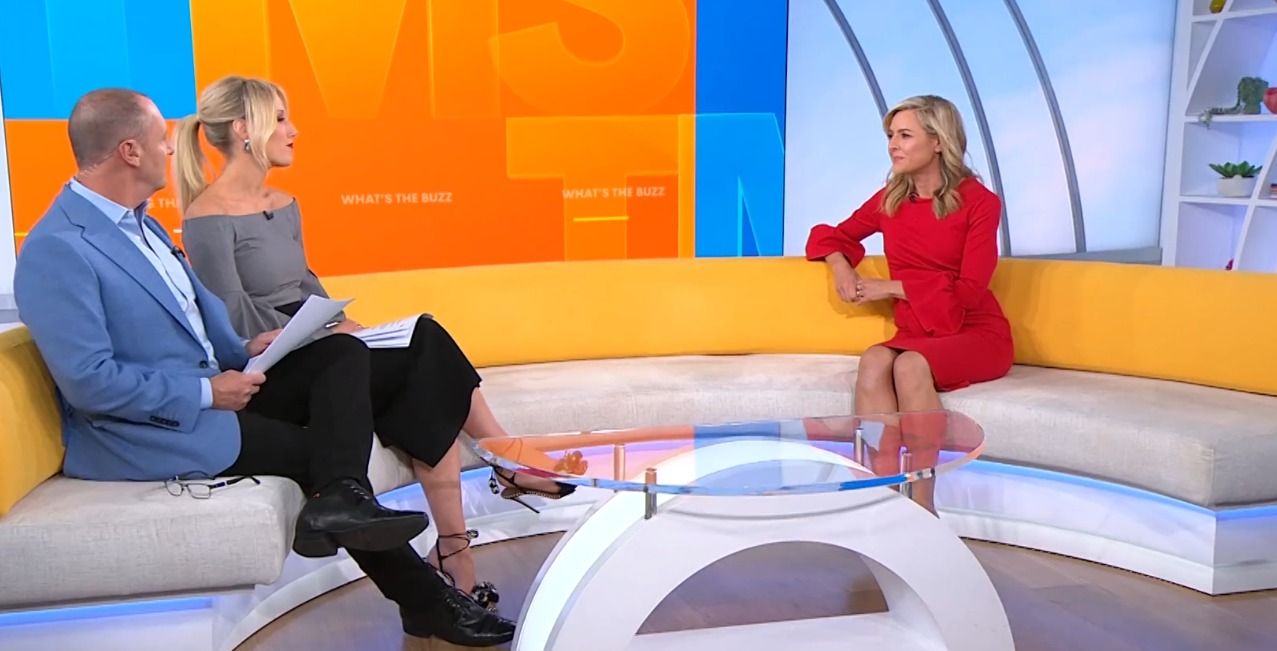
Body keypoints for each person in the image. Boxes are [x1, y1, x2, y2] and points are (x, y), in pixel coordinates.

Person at [13, 88, 514, 646]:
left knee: (342, 353)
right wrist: (210, 393)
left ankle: (348, 498)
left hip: (215, 391)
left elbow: (198, 332)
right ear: (129, 152)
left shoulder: (144, 226)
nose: (171, 150)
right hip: (151, 428)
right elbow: (90, 383)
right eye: (160, 140)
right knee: (317, 455)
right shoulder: (58, 248)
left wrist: (248, 347)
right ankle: (427, 600)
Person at [172, 75, 580, 607]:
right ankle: (498, 473)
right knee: (423, 361)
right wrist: (322, 333)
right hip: (277, 368)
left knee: (423, 349)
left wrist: (341, 323)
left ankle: (460, 544)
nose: (294, 131)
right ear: (243, 129)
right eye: (282, 119)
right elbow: (233, 323)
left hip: (326, 346)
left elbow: (306, 286)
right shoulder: (206, 217)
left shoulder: (285, 202)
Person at [805, 95, 1013, 513]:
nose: (893, 146)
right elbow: (830, 235)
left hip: (973, 331)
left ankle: (921, 505)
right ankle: (881, 496)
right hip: (918, 329)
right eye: (890, 136)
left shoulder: (979, 203)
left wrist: (892, 288)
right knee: (874, 361)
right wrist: (841, 266)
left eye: (904, 135)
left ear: (938, 142)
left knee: (909, 365)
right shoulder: (891, 200)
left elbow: (970, 291)